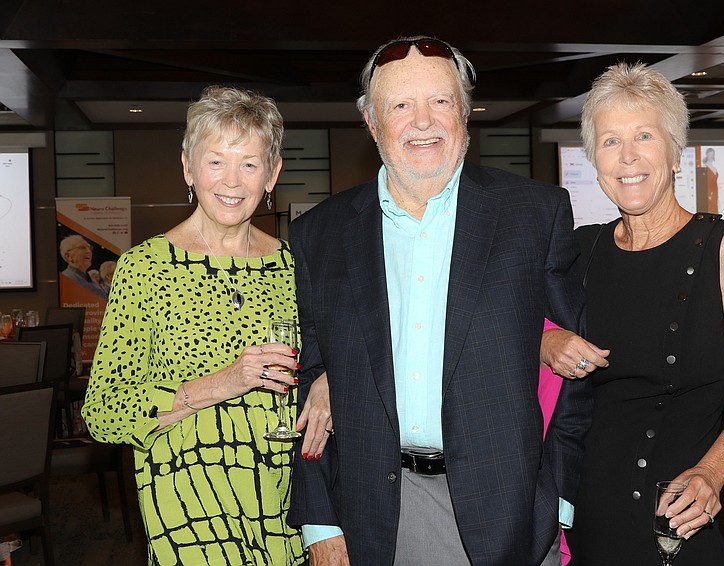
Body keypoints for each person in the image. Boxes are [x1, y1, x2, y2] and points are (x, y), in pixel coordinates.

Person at [287, 36, 593, 565]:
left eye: (441, 101)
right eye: (401, 105)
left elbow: (579, 373)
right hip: (377, 512)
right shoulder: (321, 234)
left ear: (466, 113)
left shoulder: (534, 215)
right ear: (372, 122)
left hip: (513, 512)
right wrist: (319, 520)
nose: (423, 121)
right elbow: (306, 379)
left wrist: (557, 499)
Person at [540, 62, 724, 565]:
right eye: (609, 141)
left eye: (644, 136)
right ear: (594, 160)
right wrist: (543, 343)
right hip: (583, 516)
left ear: (676, 152)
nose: (627, 157)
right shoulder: (580, 250)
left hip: (674, 519)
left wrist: (712, 473)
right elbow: (496, 321)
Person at [82, 85, 332, 566]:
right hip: (190, 511)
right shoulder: (145, 269)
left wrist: (326, 382)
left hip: (285, 509)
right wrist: (227, 381)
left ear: (273, 174)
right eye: (216, 161)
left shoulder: (295, 265)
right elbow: (105, 413)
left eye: (250, 163)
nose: (232, 181)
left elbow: (328, 360)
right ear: (188, 168)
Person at [59, 234, 109, 300]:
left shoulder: (88, 278)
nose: (89, 251)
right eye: (82, 247)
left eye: (89, 248)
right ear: (68, 256)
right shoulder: (67, 278)